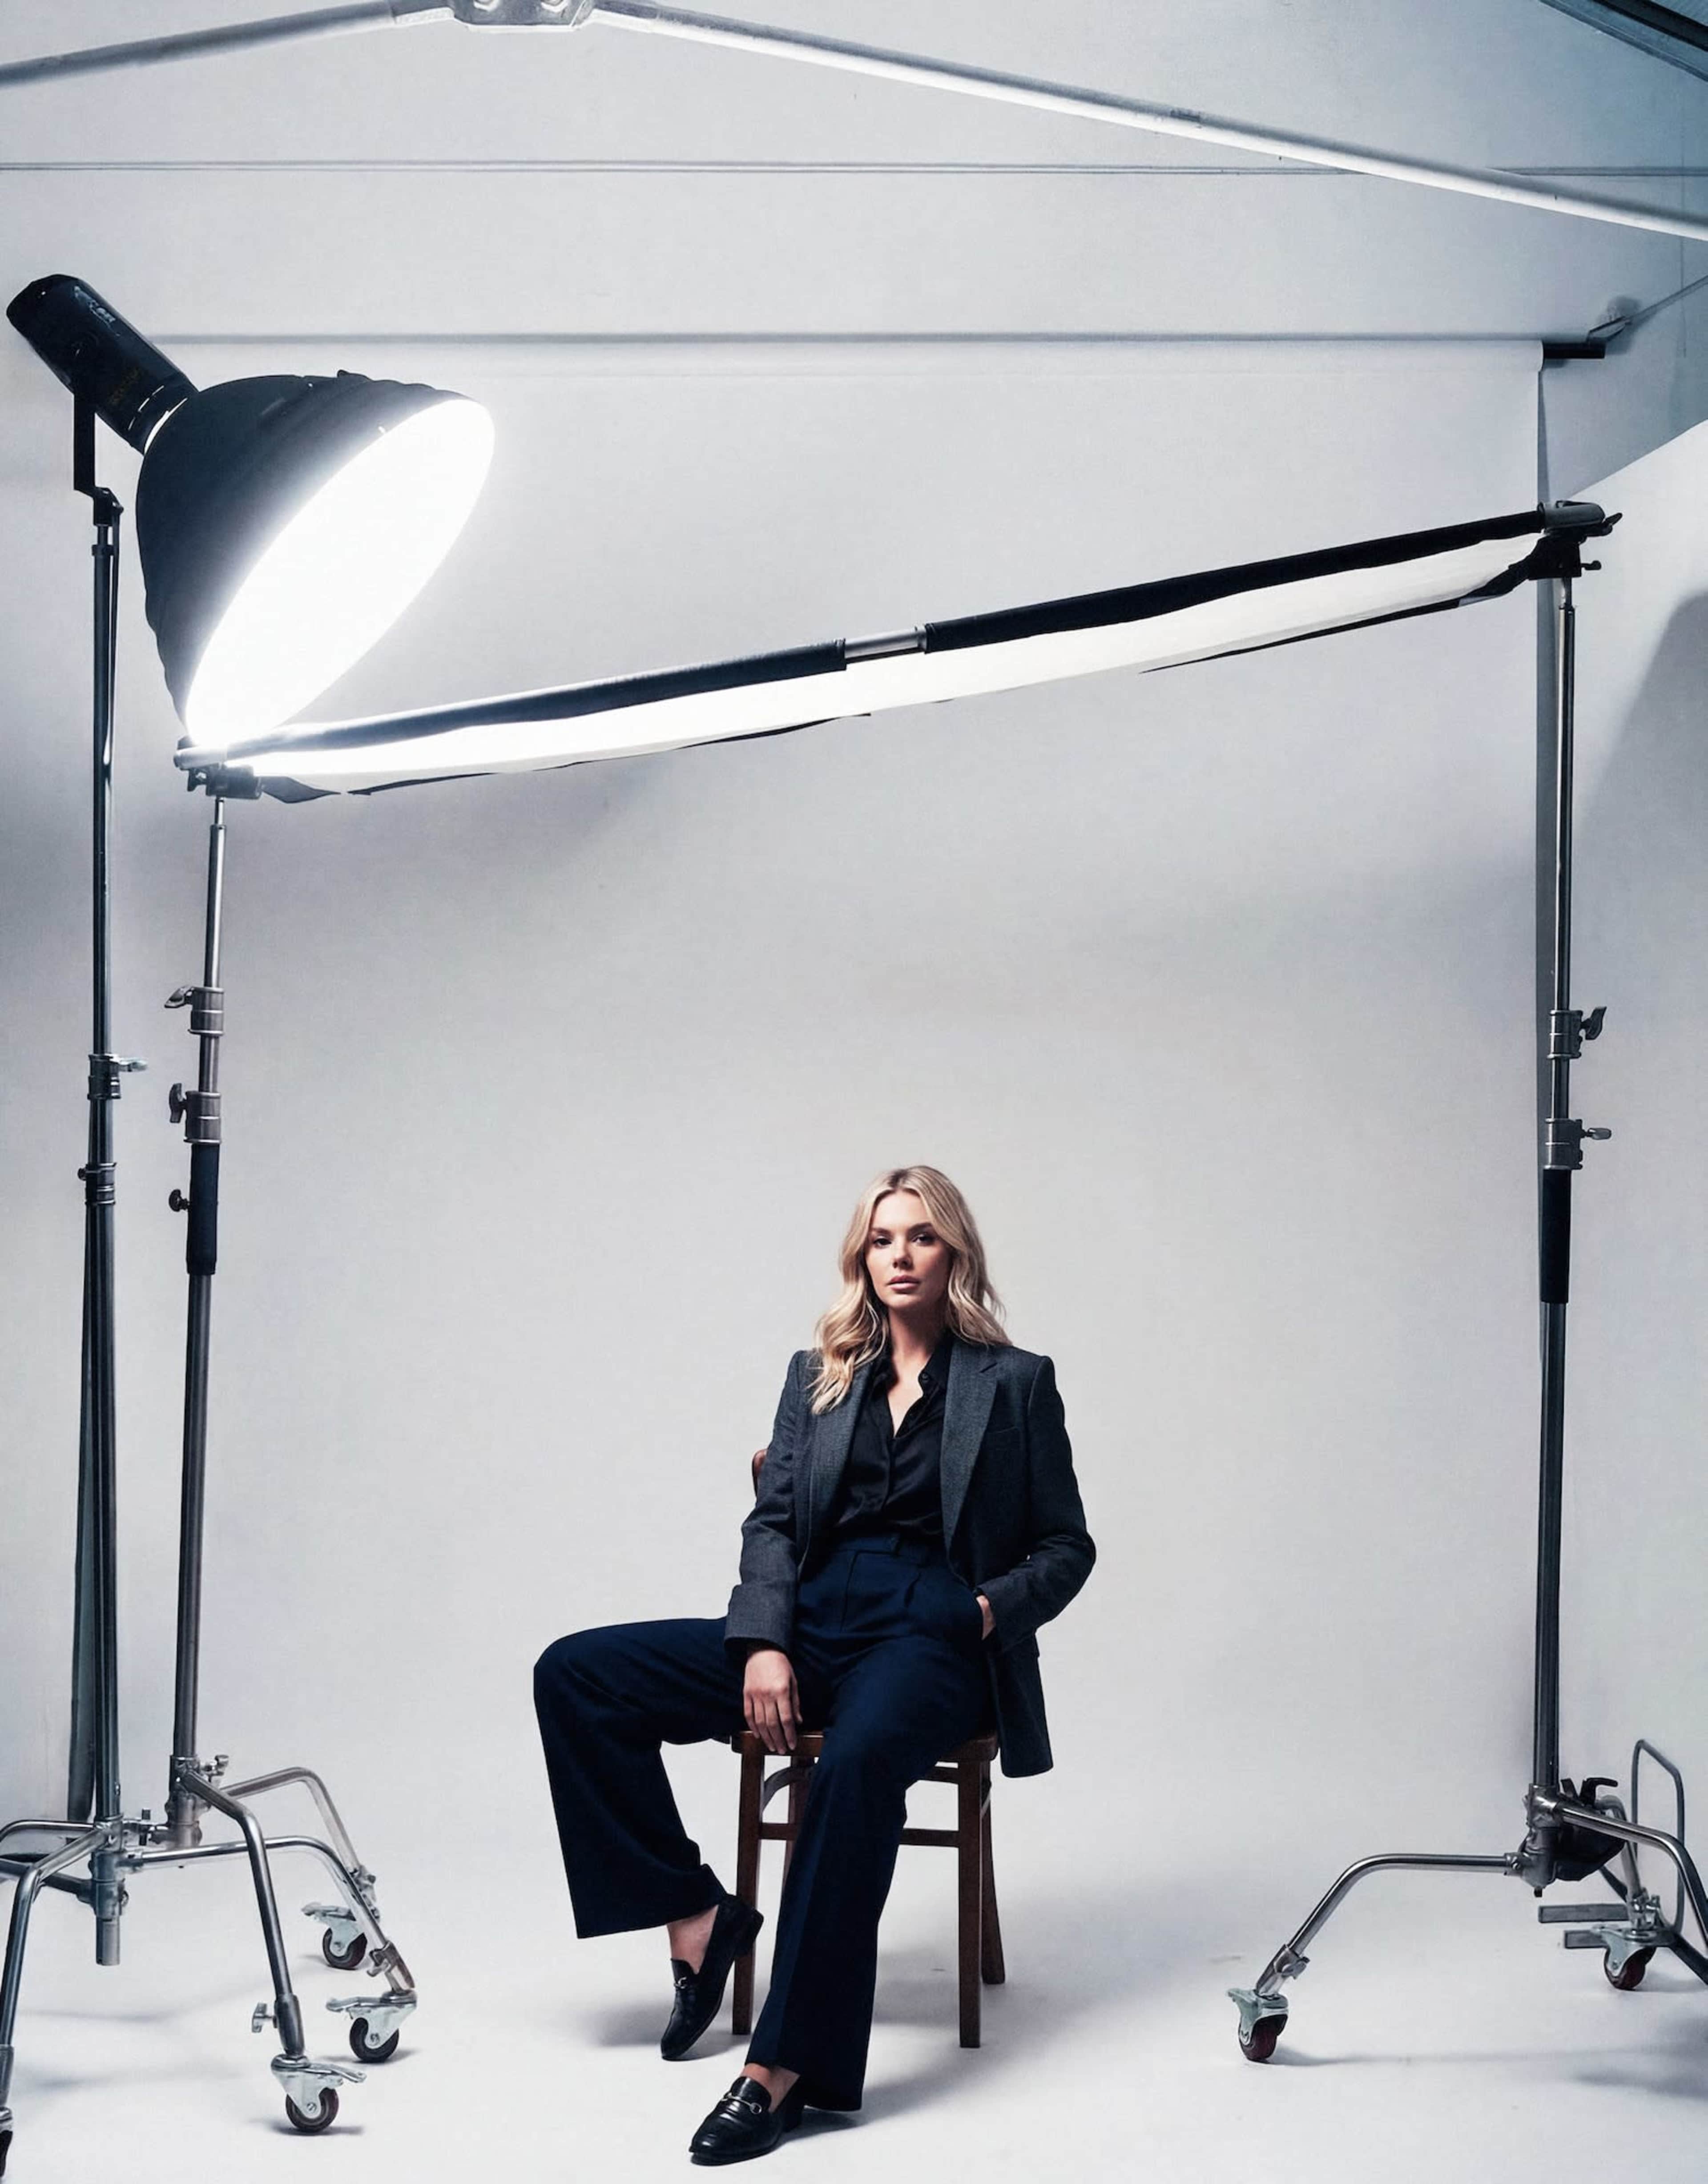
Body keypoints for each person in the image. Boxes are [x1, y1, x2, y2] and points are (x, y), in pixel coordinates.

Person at [533, 1164, 1094, 2165]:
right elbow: (777, 1522)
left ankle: (783, 2068)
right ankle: (698, 1915)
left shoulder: (1014, 1383)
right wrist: (761, 1642)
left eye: (921, 1236)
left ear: (953, 1250)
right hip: (812, 1618)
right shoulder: (819, 1374)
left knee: (856, 1765)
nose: (901, 1255)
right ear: (861, 1257)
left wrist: (981, 1611)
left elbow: (1065, 1546)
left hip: (933, 1632)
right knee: (577, 1674)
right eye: (883, 1239)